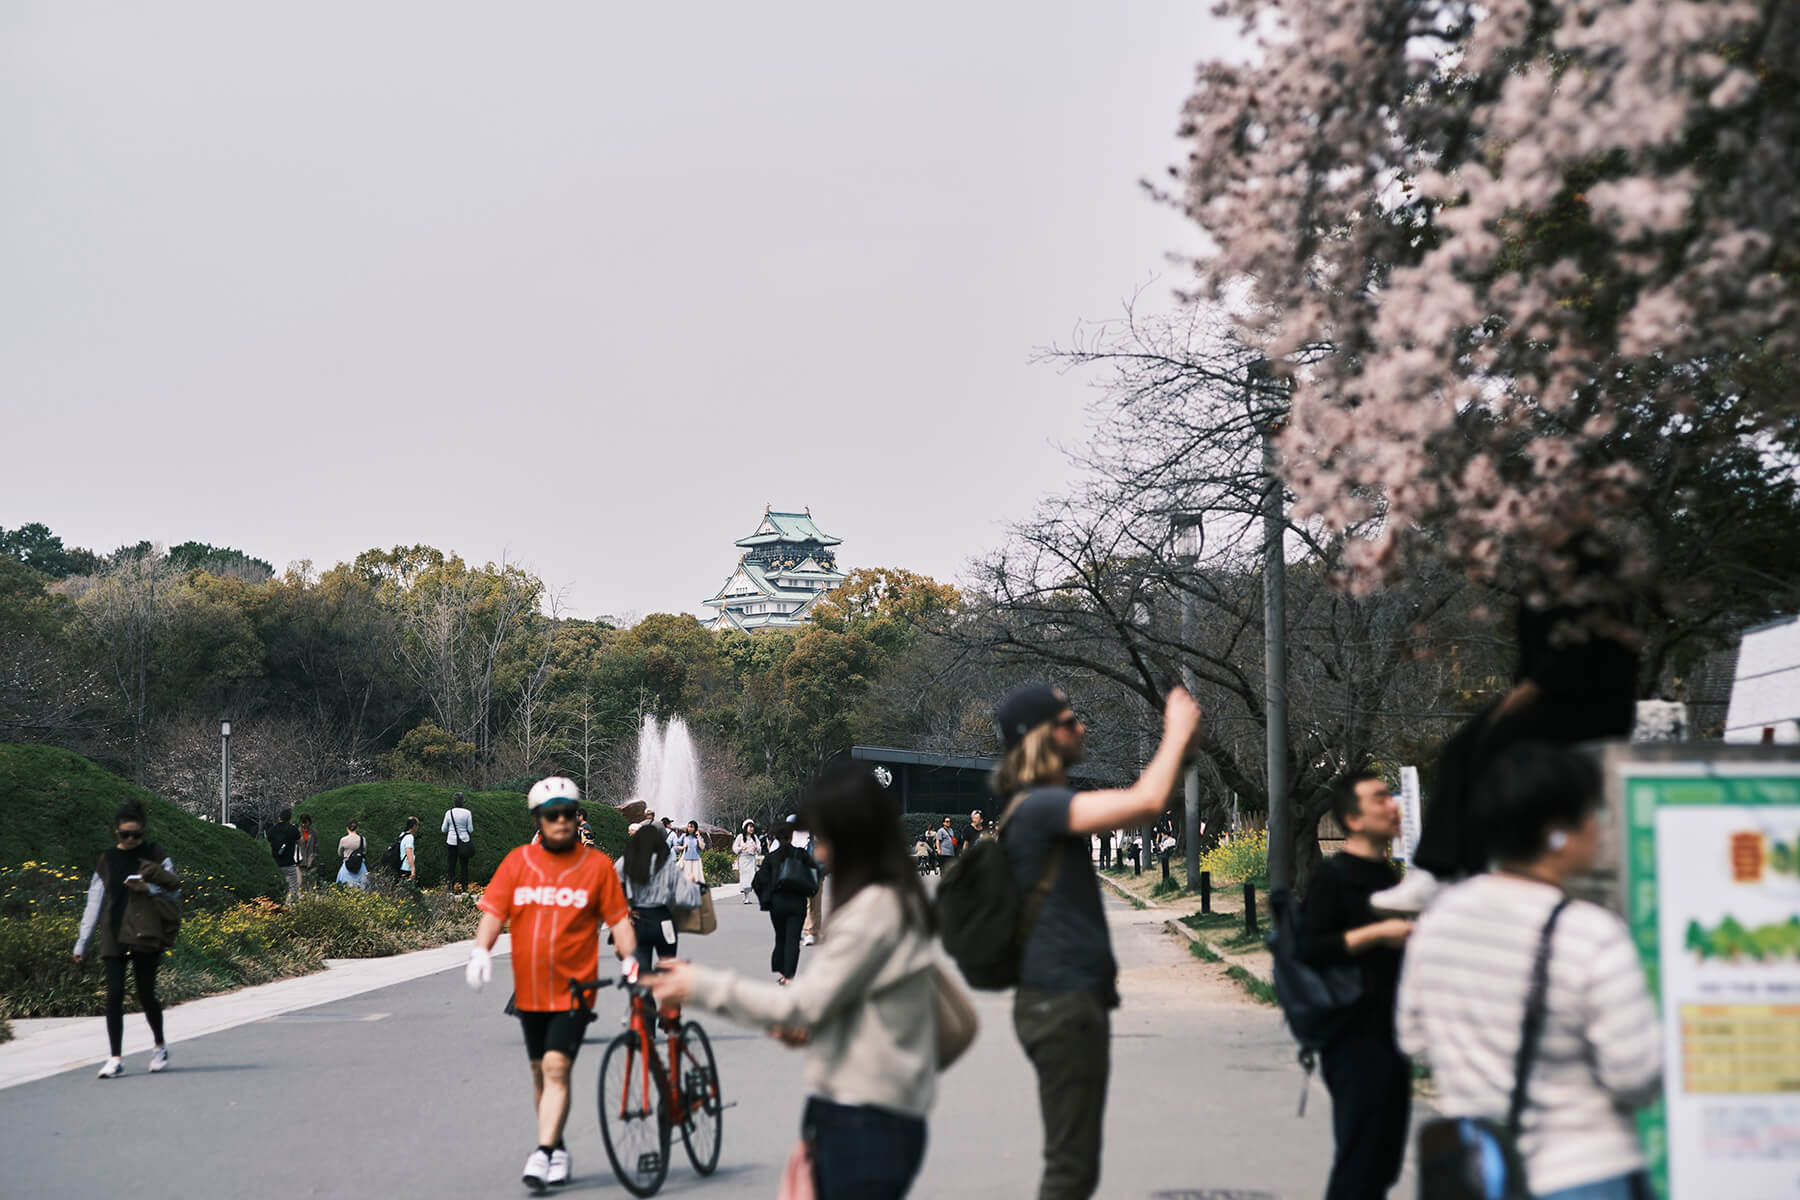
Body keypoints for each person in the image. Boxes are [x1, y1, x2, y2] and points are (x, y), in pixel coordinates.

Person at [649, 765, 939, 1199]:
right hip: (877, 1114)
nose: (817, 848)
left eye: (824, 834)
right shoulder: (895, 901)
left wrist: (700, 985)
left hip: (861, 1118)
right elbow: (954, 1021)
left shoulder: (869, 914)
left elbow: (800, 1008)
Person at [1397, 744, 1661, 1200]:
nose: (1599, 827)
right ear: (1558, 835)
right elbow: (1634, 1074)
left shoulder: (1436, 922)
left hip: (1482, 1173)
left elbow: (1414, 1039)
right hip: (1585, 1174)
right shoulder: (1591, 933)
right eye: (1592, 814)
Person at [992, 682, 1202, 1200]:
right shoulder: (1040, 806)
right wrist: (1175, 733)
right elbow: (1146, 803)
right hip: (1061, 1004)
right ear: (1042, 737)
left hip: (1062, 1001)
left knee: (1075, 1166)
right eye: (1069, 721)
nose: (1081, 728)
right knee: (1070, 1169)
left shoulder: (1036, 805)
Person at [1374, 593, 1639, 914]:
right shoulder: (1538, 588)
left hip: (1589, 699)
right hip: (1553, 693)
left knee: (1483, 744)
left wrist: (1514, 702)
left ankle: (1449, 870)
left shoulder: (1582, 582)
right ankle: (1447, 869)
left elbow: (1567, 662)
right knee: (1462, 747)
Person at [463, 776, 639, 1193]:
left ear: (577, 818)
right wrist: (481, 951)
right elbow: (494, 911)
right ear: (537, 820)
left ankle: (542, 1152)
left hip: (576, 987)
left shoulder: (596, 867)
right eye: (551, 814)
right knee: (540, 1071)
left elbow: (618, 920)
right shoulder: (517, 863)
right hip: (530, 988)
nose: (561, 821)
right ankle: (557, 1147)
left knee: (557, 1066)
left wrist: (631, 958)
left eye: (568, 813)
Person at [1300, 772, 1415, 1200]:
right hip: (1352, 1036)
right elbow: (1310, 948)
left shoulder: (1386, 875)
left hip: (1391, 1032)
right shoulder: (1333, 877)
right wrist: (1378, 934)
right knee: (1360, 1163)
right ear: (1353, 819)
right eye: (1380, 798)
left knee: (1383, 1163)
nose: (1392, 805)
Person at [73, 801, 179, 1078]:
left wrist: (149, 888)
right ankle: (115, 1057)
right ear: (116, 832)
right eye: (125, 834)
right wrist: (82, 942)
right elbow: (94, 902)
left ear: (143, 831)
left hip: (145, 931)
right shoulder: (107, 859)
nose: (131, 840)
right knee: (114, 994)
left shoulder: (155, 854)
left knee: (146, 993)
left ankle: (159, 1046)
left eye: (136, 834)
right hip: (114, 931)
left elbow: (174, 891)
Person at [615, 823, 703, 977]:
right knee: (668, 971)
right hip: (663, 919)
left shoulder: (625, 861)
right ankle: (666, 990)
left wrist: (625, 909)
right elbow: (685, 898)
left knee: (642, 973)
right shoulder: (666, 864)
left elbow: (611, 888)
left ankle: (643, 990)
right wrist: (693, 885)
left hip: (638, 919)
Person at [752, 817, 818, 983]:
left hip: (778, 903)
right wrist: (810, 891)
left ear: (775, 836)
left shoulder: (771, 858)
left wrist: (766, 899)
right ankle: (789, 976)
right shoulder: (801, 855)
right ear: (791, 836)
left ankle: (782, 973)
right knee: (793, 939)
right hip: (798, 902)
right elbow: (815, 874)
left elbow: (758, 881)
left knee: (781, 937)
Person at [442, 793, 474, 894]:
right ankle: (464, 888)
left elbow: (443, 829)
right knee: (464, 866)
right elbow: (470, 829)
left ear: (454, 802)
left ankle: (451, 888)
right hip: (464, 841)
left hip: (451, 841)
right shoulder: (467, 813)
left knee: (451, 865)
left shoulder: (449, 813)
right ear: (463, 802)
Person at [268, 808, 301, 899]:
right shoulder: (293, 829)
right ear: (290, 819)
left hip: (276, 863)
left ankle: (278, 902)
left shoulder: (272, 829)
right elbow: (300, 842)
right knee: (293, 886)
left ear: (279, 818)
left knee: (278, 885)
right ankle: (293, 902)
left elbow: (269, 842)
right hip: (289, 863)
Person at [733, 820, 761, 904]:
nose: (752, 829)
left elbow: (759, 848)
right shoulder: (740, 837)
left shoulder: (754, 837)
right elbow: (734, 848)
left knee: (751, 877)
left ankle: (747, 895)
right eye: (750, 827)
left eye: (752, 827)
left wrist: (756, 848)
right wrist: (741, 848)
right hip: (743, 859)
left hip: (751, 859)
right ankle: (746, 897)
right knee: (745, 878)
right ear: (745, 827)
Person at [337, 819, 370, 890]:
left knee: (344, 889)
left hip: (347, 866)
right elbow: (364, 852)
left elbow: (339, 853)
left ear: (347, 828)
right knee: (363, 888)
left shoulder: (343, 840)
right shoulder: (362, 839)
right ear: (357, 828)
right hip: (360, 866)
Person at [295, 813, 320, 893]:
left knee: (312, 882)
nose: (303, 824)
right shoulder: (297, 832)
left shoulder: (314, 832)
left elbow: (317, 846)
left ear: (309, 822)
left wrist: (314, 856)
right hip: (300, 860)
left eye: (305, 822)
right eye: (302, 822)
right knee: (301, 883)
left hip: (311, 860)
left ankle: (311, 896)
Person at [679, 819, 706, 884]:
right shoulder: (684, 836)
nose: (689, 828)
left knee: (697, 879)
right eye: (688, 827)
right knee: (686, 879)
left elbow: (702, 847)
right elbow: (677, 846)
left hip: (696, 860)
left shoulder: (698, 837)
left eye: (691, 827)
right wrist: (683, 847)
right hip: (686, 860)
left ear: (695, 828)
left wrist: (698, 837)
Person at [396, 816, 420, 889]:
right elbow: (409, 853)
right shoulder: (409, 837)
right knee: (407, 889)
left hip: (400, 865)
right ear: (414, 826)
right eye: (417, 825)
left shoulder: (402, 834)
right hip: (406, 867)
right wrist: (413, 868)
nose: (418, 827)